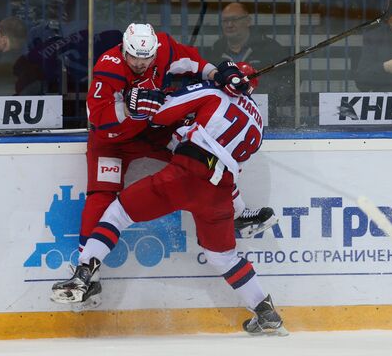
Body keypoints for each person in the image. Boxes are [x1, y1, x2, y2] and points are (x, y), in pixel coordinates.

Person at [52, 61, 288, 336]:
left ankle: (84, 273)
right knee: (223, 256)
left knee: (118, 212)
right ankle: (265, 311)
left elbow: (162, 113)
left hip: (187, 173)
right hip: (221, 189)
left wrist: (141, 99)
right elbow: (229, 159)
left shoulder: (214, 93)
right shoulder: (258, 123)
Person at [78, 22, 277, 267]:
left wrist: (219, 75)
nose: (141, 64)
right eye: (134, 58)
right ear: (123, 50)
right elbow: (96, 117)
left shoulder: (164, 48)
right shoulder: (109, 67)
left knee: (204, 155)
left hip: (152, 131)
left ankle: (235, 213)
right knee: (101, 195)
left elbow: (193, 62)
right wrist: (128, 108)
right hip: (112, 141)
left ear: (155, 50)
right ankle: (86, 270)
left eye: (147, 58)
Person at [205, 2, 295, 127]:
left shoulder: (270, 48)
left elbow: (290, 80)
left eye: (234, 19)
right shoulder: (215, 52)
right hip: (223, 122)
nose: (229, 25)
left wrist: (268, 97)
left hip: (263, 118)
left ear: (248, 21)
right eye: (225, 21)